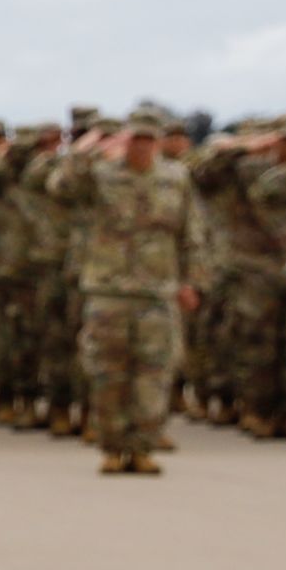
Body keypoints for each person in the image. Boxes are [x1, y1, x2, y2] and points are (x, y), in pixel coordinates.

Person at [52, 105, 211, 474]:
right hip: (108, 291)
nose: (141, 147)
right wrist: (86, 147)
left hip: (157, 292)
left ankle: (142, 446)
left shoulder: (176, 179)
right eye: (135, 139)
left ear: (157, 143)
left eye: (148, 140)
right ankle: (111, 445)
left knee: (154, 374)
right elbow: (60, 187)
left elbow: (192, 235)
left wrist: (192, 282)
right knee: (107, 374)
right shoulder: (101, 175)